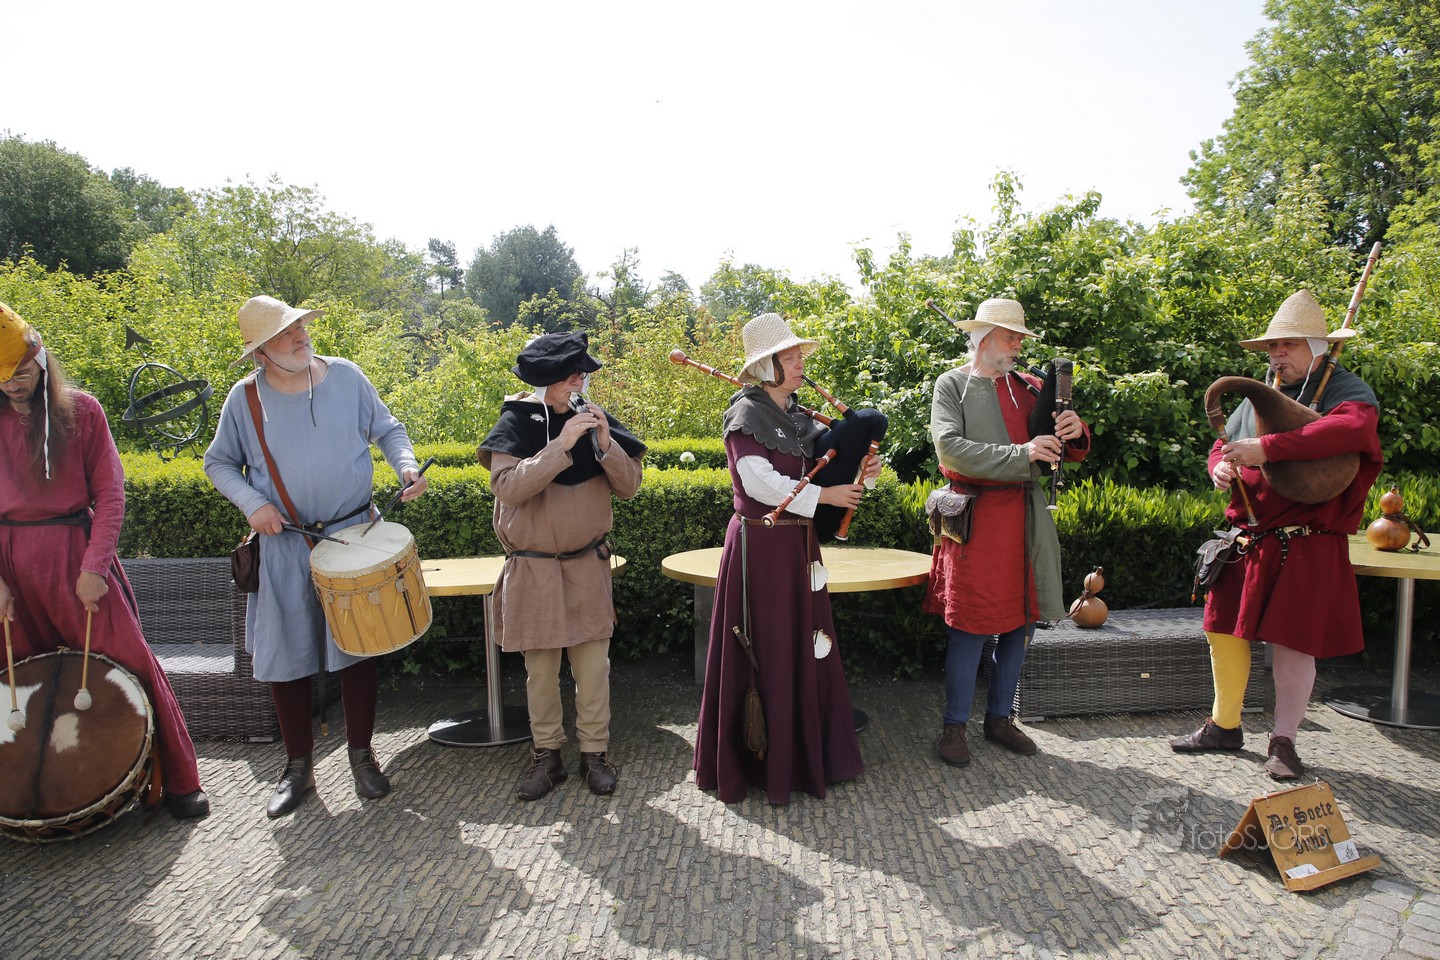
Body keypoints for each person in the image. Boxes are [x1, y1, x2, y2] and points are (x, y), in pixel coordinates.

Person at [205, 295, 428, 818]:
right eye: (285, 333)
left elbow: (389, 430)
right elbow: (219, 464)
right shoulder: (244, 400)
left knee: (359, 648)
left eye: (299, 326)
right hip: (285, 545)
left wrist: (405, 465)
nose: (300, 335)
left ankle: (362, 757)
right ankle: (297, 769)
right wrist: (253, 503)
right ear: (261, 352)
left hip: (354, 538)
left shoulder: (347, 376)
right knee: (287, 659)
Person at [0, 301, 209, 819]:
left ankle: (178, 781)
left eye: (20, 372)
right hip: (10, 567)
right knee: (14, 679)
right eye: (1, 377)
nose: (11, 385)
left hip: (77, 558)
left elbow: (111, 494)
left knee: (130, 665)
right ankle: (32, 799)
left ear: (39, 358)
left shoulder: (84, 410)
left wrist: (95, 567)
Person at [1171, 289, 1382, 779]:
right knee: (1222, 631)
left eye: (1288, 345)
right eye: (1272, 346)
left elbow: (1351, 432)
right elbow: (1223, 444)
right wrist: (1219, 467)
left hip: (1304, 541)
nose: (1277, 354)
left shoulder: (1347, 390)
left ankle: (1284, 741)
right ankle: (1224, 726)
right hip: (1247, 538)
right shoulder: (1260, 393)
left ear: (1318, 347)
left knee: (1293, 642)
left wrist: (1268, 448)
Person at [692, 313, 880, 805]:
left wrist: (865, 472)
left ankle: (805, 757)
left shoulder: (798, 417)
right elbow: (758, 484)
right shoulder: (745, 415)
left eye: (799, 357)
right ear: (766, 366)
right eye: (791, 358)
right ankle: (762, 767)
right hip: (761, 546)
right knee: (767, 646)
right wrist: (826, 497)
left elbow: (824, 473)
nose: (800, 365)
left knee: (805, 643)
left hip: (800, 547)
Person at [477, 332, 646, 801]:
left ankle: (595, 754)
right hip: (533, 569)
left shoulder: (596, 418)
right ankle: (547, 756)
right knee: (541, 672)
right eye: (572, 375)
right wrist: (561, 445)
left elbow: (630, 486)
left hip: (587, 564)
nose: (580, 382)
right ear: (547, 380)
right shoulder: (517, 420)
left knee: (593, 669)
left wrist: (606, 444)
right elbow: (508, 489)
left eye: (582, 375)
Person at [925, 298, 1090, 767]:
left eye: (1020, 337)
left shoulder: (1031, 387)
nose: (1017, 345)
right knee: (969, 626)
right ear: (982, 338)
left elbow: (1069, 448)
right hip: (976, 522)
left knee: (1021, 622)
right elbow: (951, 451)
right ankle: (954, 726)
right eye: (1009, 336)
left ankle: (999, 719)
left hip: (1027, 519)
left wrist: (1074, 430)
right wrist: (1023, 454)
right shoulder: (951, 385)